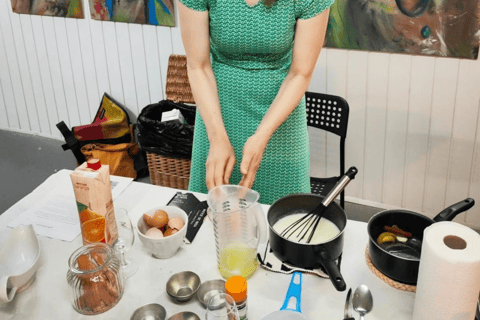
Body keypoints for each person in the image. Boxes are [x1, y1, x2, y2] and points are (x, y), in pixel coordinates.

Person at [178, 0, 333, 204]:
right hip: (218, 118)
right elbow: (198, 66)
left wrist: (262, 134)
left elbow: (300, 73)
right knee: (213, 215)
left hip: (281, 123)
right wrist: (217, 138)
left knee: (285, 218)